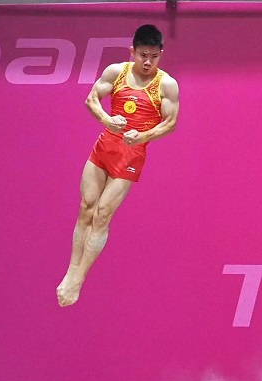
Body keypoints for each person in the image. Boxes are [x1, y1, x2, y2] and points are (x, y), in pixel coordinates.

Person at [56, 24, 180, 307]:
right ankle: (72, 269)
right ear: (132, 51)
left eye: (154, 57)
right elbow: (91, 100)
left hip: (131, 156)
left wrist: (143, 136)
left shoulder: (167, 85)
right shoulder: (116, 72)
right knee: (86, 208)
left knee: (102, 214)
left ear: (161, 54)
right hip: (104, 147)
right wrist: (106, 120)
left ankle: (78, 279)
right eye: (143, 55)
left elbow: (170, 123)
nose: (147, 62)